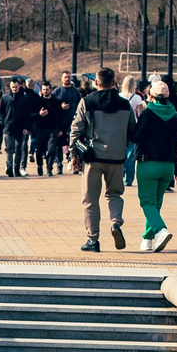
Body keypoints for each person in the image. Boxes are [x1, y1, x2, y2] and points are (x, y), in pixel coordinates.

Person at [73, 67, 134, 253]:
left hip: (93, 157)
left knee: (90, 199)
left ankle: (93, 239)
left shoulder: (87, 102)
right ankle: (115, 222)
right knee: (114, 194)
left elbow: (76, 129)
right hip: (117, 157)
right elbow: (133, 130)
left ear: (96, 82)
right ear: (114, 83)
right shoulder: (125, 104)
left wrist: (74, 154)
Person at [131, 77, 177, 251]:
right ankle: (147, 239)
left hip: (148, 163)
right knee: (156, 203)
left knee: (147, 202)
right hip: (168, 165)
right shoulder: (176, 116)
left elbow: (136, 137)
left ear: (151, 96)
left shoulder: (147, 113)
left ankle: (161, 230)